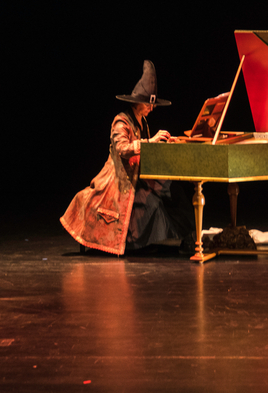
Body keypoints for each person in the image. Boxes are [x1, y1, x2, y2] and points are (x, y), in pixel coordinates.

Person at [62, 61, 193, 255]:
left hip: (139, 177)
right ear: (138, 101)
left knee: (173, 191)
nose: (151, 108)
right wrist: (151, 141)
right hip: (120, 182)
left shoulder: (143, 122)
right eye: (149, 103)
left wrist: (164, 142)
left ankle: (184, 238)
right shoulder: (121, 120)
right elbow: (123, 148)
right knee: (153, 204)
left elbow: (146, 149)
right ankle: (139, 243)